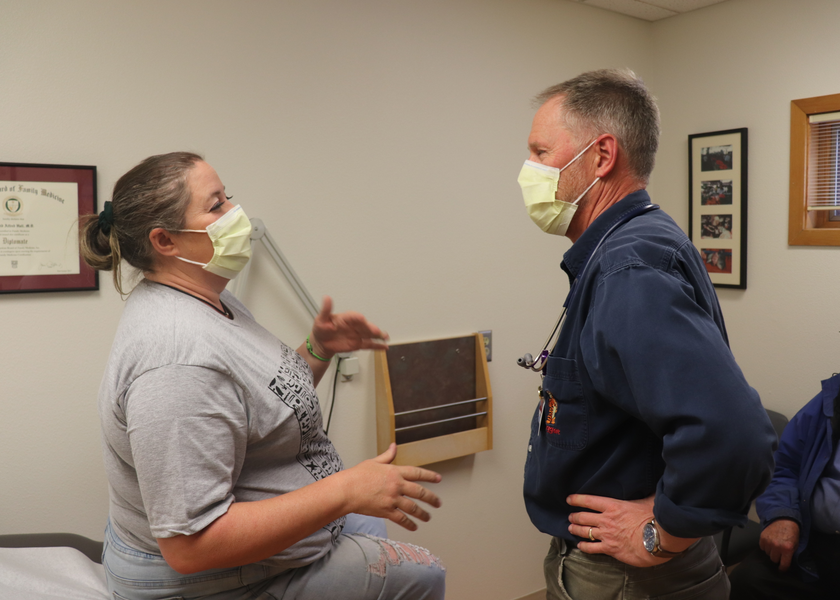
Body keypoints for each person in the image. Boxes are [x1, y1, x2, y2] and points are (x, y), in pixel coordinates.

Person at [79, 152, 446, 600]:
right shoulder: (175, 363)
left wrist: (318, 348)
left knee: (371, 522)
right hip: (211, 578)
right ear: (165, 241)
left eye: (227, 197)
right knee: (425, 574)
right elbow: (190, 546)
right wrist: (343, 491)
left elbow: (261, 404)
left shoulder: (208, 297)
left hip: (284, 531)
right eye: (215, 206)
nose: (236, 214)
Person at [516, 69, 776, 600]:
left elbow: (735, 435)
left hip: (632, 578)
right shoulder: (630, 245)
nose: (529, 170)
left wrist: (662, 536)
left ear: (602, 156)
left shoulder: (628, 266)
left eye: (541, 152)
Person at [729, 374, 840, 599]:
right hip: (813, 539)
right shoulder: (830, 399)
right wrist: (783, 515)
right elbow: (784, 467)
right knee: (748, 581)